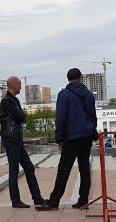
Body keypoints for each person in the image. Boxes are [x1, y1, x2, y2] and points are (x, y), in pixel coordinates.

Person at [38, 68, 97, 211]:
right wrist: (91, 130)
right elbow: (93, 116)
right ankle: (83, 200)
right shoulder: (89, 94)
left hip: (71, 137)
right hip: (86, 136)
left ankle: (54, 201)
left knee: (64, 169)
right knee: (84, 168)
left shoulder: (64, 94)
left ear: (68, 79)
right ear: (81, 77)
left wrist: (59, 139)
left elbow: (61, 118)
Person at [0, 76, 45, 209]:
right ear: (13, 85)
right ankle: (15, 200)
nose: (21, 87)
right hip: (11, 139)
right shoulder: (6, 101)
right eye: (19, 84)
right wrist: (21, 115)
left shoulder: (14, 100)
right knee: (14, 170)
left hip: (17, 140)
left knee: (29, 168)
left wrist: (22, 115)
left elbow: (22, 117)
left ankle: (37, 198)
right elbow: (21, 116)